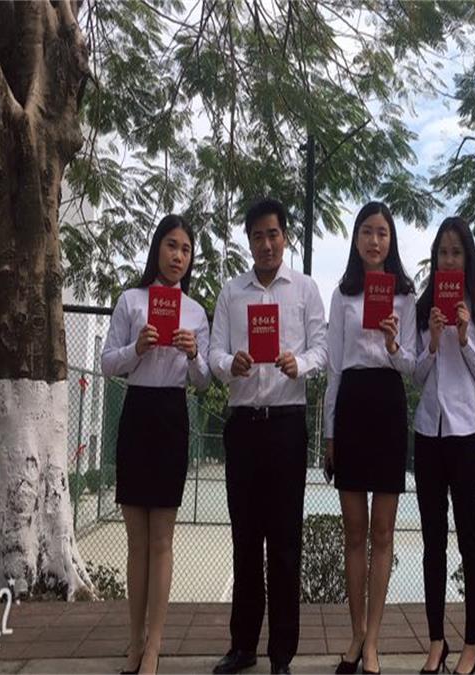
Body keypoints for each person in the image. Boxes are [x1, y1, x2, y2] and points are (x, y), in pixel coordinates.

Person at [210, 198, 327, 675]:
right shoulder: (231, 292)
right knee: (244, 540)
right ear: (249, 241)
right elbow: (214, 353)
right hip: (243, 426)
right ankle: (243, 646)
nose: (266, 243)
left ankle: (282, 654)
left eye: (273, 234)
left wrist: (300, 363)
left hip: (285, 426)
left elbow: (322, 348)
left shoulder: (305, 290)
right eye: (257, 235)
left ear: (286, 237)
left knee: (283, 543)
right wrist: (229, 364)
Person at [101, 214, 211, 675]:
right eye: (171, 245)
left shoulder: (196, 312)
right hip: (137, 413)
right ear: (157, 249)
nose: (178, 256)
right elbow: (107, 363)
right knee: (137, 539)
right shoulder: (131, 300)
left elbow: (204, 381)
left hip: (171, 414)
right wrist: (137, 349)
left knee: (162, 538)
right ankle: (134, 639)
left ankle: (155, 645)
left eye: (185, 249)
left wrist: (193, 353)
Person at [324, 201, 416, 675]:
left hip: (388, 404)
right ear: (356, 239)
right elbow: (334, 369)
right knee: (354, 532)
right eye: (366, 231)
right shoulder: (343, 294)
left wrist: (394, 343)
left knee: (383, 532)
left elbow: (413, 365)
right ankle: (356, 633)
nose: (374, 241)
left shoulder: (405, 295)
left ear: (391, 240)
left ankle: (375, 640)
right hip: (352, 405)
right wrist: (329, 433)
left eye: (382, 232)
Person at [413, 217, 475, 675]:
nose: (448, 260)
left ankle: (474, 642)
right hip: (428, 434)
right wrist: (432, 341)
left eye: (456, 252)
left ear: (467, 259)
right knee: (433, 542)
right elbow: (415, 375)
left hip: (464, 436)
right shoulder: (424, 308)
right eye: (442, 252)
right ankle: (436, 641)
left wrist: (464, 340)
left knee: (469, 539)